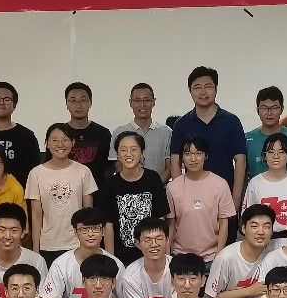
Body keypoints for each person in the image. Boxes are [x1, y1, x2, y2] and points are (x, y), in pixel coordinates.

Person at [168, 66, 248, 208]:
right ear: (190, 91)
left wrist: (235, 199)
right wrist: (180, 196)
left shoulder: (231, 121)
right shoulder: (181, 124)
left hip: (224, 196)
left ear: (216, 89)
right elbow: (175, 162)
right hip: (191, 199)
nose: (203, 92)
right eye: (197, 87)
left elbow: (240, 161)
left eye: (208, 86)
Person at [27, 122, 97, 264]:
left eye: (65, 140)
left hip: (77, 243)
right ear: (46, 143)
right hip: (48, 244)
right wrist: (36, 249)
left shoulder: (83, 171)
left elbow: (88, 213)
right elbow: (36, 214)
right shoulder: (36, 173)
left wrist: (89, 245)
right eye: (54, 140)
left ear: (72, 143)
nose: (60, 144)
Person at [98, 131, 169, 265]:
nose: (128, 154)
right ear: (117, 155)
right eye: (123, 150)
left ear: (142, 153)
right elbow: (108, 225)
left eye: (134, 149)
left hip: (151, 255)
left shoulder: (153, 179)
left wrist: (164, 255)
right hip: (121, 257)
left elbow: (161, 219)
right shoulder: (110, 184)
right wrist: (111, 261)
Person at [166, 136, 236, 265]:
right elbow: (171, 224)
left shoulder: (220, 184)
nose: (193, 159)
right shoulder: (173, 187)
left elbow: (224, 223)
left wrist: (218, 257)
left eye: (198, 153)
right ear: (182, 157)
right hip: (181, 256)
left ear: (206, 156)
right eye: (188, 154)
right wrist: (166, 256)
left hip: (211, 257)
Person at [39, 207, 123, 298]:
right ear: (75, 232)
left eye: (96, 228)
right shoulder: (61, 264)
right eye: (84, 229)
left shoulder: (116, 264)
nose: (90, 234)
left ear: (103, 231)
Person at [206, 204, 275, 298]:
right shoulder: (226, 258)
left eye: (266, 226)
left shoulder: (273, 249)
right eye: (254, 226)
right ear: (243, 228)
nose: (261, 232)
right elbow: (211, 297)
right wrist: (248, 291)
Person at [242, 132, 287, 238]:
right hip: (262, 239)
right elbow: (247, 217)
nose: (276, 156)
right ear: (264, 156)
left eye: (281, 152)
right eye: (271, 152)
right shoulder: (255, 183)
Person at [109, 82, 172, 179]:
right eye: (137, 100)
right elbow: (119, 166)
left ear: (153, 102)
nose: (142, 105)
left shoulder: (167, 132)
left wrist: (155, 185)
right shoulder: (119, 132)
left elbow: (170, 167)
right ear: (131, 103)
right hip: (127, 187)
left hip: (159, 187)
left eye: (146, 100)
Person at [245, 86, 287, 179]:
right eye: (264, 108)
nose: (269, 113)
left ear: (282, 109)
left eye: (274, 108)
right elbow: (243, 172)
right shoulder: (247, 139)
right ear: (258, 110)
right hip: (256, 188)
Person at [117, 217, 173, 298]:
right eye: (147, 240)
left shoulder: (179, 270)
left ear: (167, 240)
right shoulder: (130, 276)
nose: (154, 244)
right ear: (137, 243)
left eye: (159, 239)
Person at [63, 82, 112, 188]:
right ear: (66, 104)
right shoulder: (60, 134)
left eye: (83, 100)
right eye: (73, 101)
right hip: (67, 191)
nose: (78, 105)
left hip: (98, 192)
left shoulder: (103, 133)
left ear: (90, 103)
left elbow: (109, 167)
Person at [155, 253, 229, 298]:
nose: (187, 285)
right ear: (172, 281)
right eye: (181, 278)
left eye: (193, 278)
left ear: (203, 280)